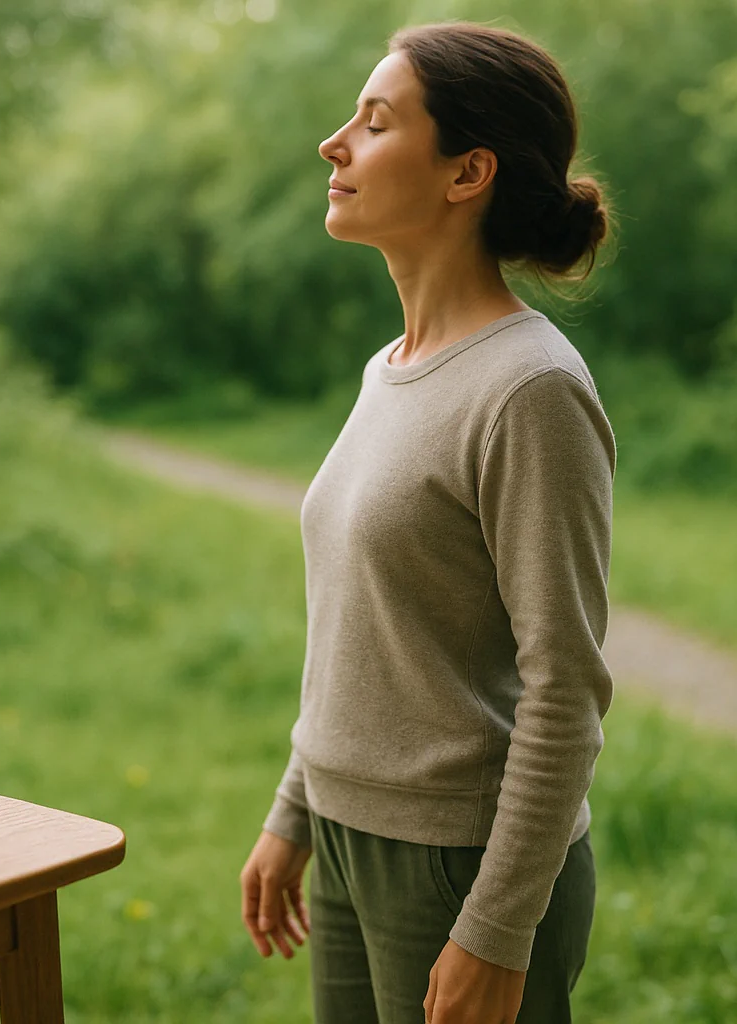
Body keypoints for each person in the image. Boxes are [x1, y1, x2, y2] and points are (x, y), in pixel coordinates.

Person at [237, 20, 616, 1024]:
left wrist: (496, 927)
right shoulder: (391, 369)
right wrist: (296, 808)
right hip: (349, 839)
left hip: (462, 864)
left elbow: (566, 685)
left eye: (374, 122)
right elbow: (365, 627)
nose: (334, 144)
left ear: (466, 173)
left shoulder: (529, 388)